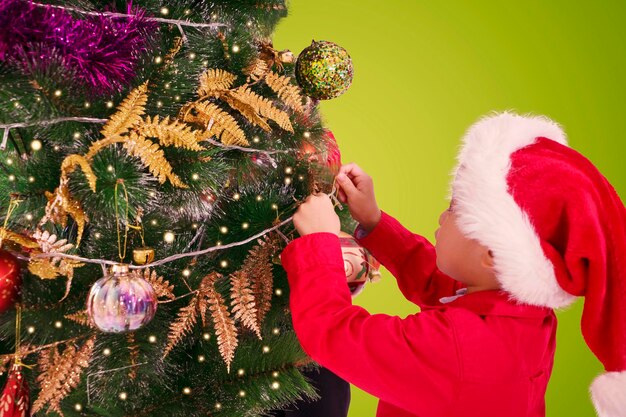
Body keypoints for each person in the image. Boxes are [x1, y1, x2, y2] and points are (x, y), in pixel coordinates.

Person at [279, 112, 626, 417]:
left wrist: (320, 242)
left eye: (457, 209)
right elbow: (440, 282)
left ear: (494, 252)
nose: (443, 215)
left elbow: (335, 335)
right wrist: (375, 222)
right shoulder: (522, 315)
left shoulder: (457, 354)